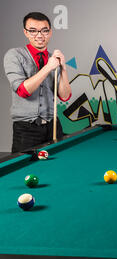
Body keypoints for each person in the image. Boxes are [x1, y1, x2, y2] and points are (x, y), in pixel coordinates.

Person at [3, 12, 72, 153]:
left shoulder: (54, 58)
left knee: (57, 168)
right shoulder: (14, 55)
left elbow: (65, 96)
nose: (39, 35)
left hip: (53, 126)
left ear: (50, 32)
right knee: (24, 171)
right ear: (25, 32)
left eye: (44, 30)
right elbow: (22, 90)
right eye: (33, 31)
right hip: (26, 129)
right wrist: (48, 67)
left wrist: (63, 69)